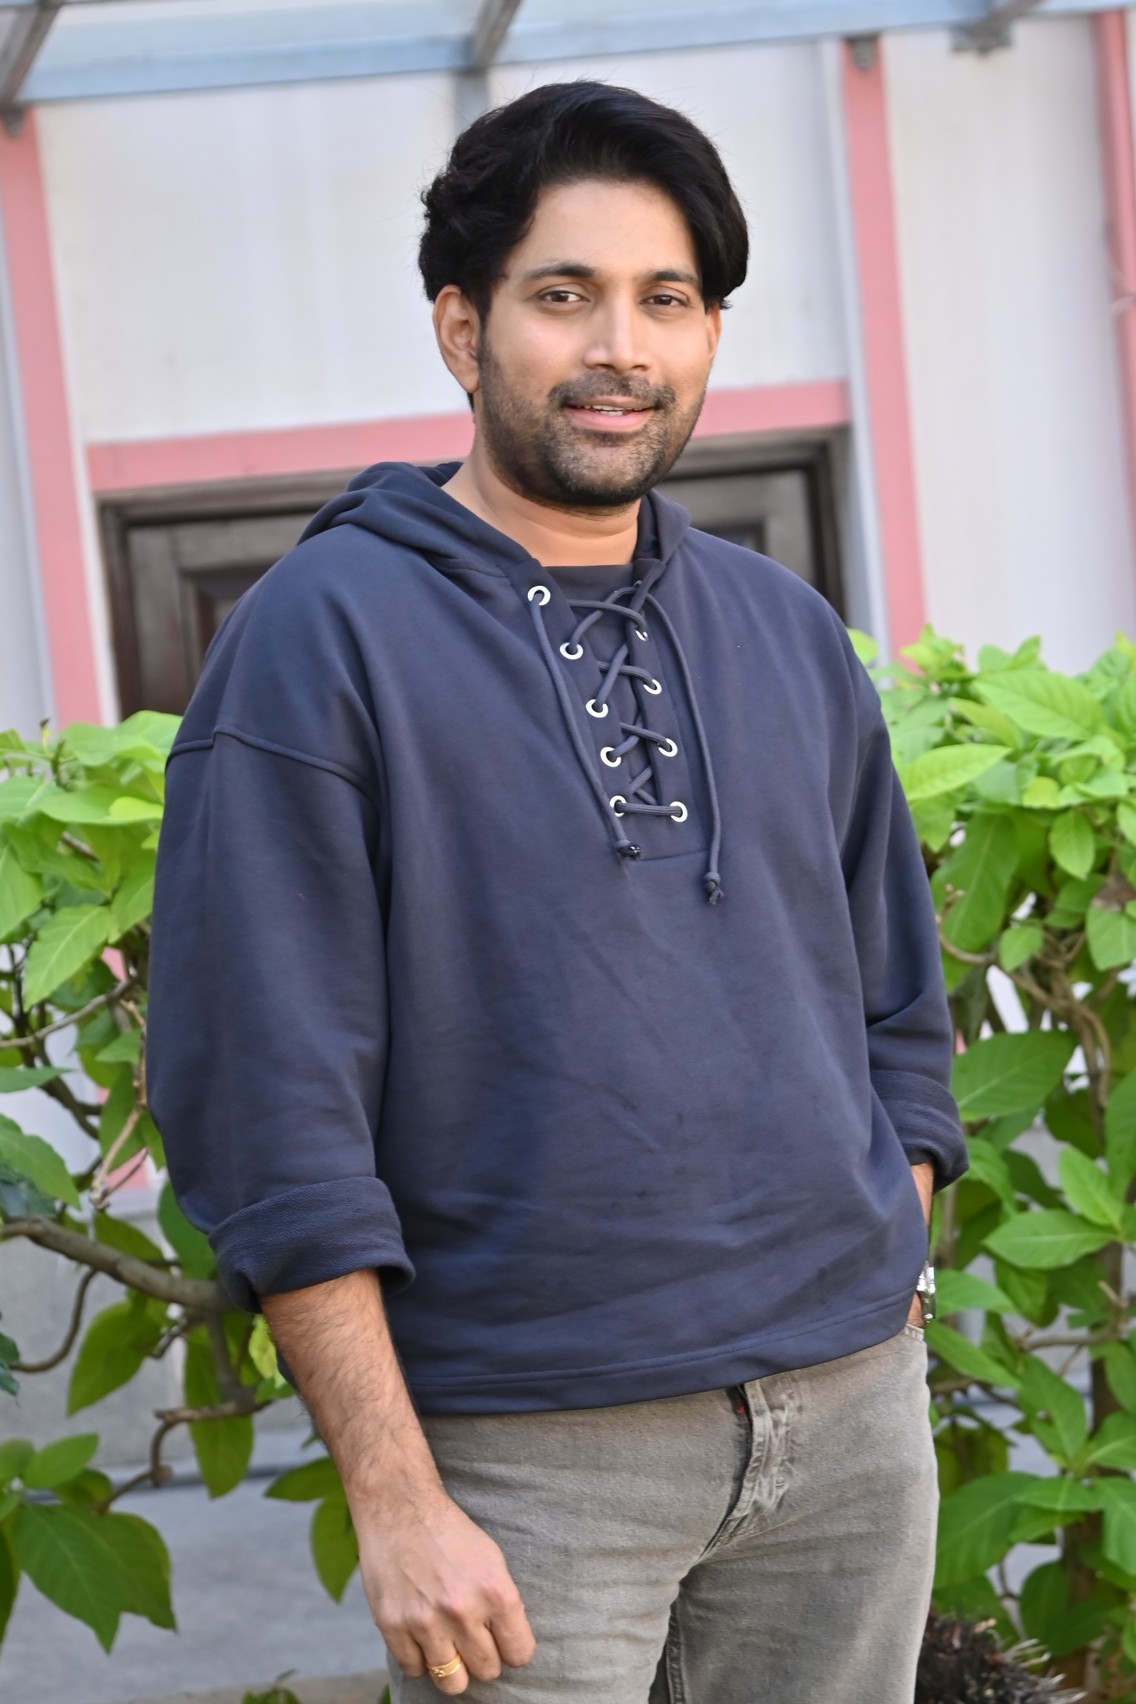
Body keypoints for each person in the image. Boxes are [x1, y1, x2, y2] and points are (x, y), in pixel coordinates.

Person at [147, 80, 967, 1704]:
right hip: (531, 1472)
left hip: (853, 1430)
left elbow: (898, 1009)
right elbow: (270, 1107)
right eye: (563, 295)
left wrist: (894, 1244)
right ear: (465, 330)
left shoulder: (785, 629)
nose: (622, 348)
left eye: (669, 300)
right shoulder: (321, 642)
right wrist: (394, 1493)